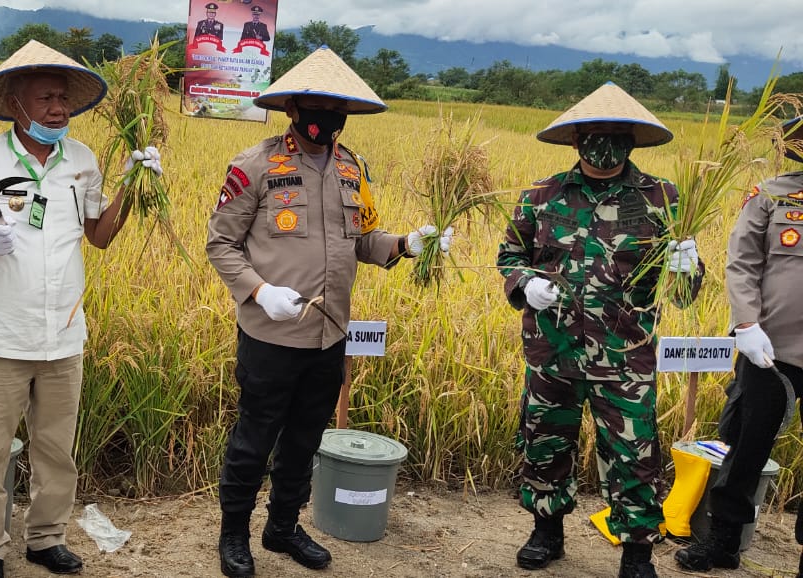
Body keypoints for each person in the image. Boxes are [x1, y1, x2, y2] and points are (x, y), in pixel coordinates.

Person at [206, 46, 450, 578]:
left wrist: (408, 243)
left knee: (306, 438)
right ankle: (233, 535)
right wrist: (258, 290)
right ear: (293, 108)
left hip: (329, 333)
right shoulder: (254, 166)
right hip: (271, 334)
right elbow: (221, 245)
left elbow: (362, 239)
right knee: (254, 439)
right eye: (315, 107)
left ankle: (283, 527)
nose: (326, 119)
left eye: (335, 109)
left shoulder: (350, 168)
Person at [0, 40, 161, 578]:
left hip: (63, 334)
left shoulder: (81, 160)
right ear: (15, 102)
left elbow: (99, 235)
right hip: (0, 334)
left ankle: (45, 538)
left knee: (56, 450)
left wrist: (132, 181)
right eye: (46, 98)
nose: (59, 108)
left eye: (64, 98)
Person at [496, 82, 704, 578]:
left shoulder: (662, 200)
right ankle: (546, 531)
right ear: (575, 139)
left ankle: (636, 555)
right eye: (594, 134)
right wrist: (525, 285)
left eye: (616, 134)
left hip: (625, 359)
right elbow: (508, 256)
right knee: (546, 443)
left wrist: (688, 267)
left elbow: (683, 292)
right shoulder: (541, 196)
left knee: (634, 456)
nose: (604, 143)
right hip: (553, 351)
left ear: (632, 140)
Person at [674, 116, 803, 576]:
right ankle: (723, 543)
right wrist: (746, 323)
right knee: (746, 446)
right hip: (771, 350)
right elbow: (743, 262)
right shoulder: (772, 194)